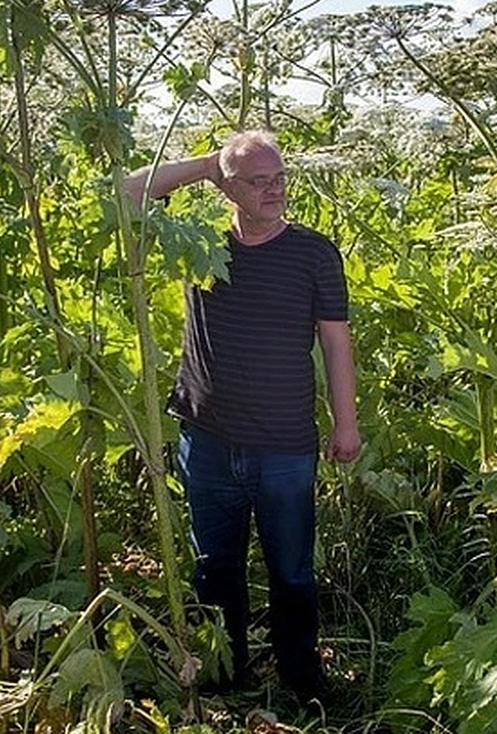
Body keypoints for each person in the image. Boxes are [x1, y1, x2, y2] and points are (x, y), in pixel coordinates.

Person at [124, 129, 362, 706]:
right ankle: (226, 675)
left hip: (285, 446)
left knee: (292, 571)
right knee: (215, 571)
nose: (274, 190)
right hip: (206, 441)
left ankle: (302, 679)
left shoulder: (313, 253)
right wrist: (208, 162)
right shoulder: (196, 243)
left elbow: (335, 342)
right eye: (258, 181)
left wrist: (345, 422)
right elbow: (126, 194)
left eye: (279, 177)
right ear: (227, 187)